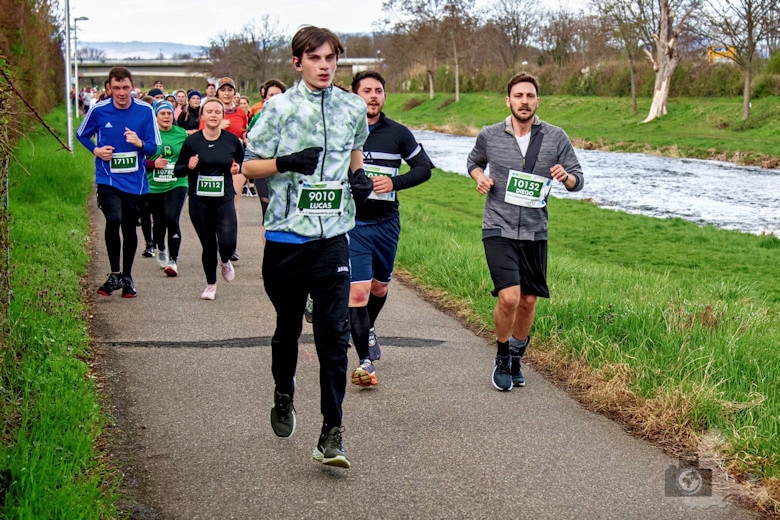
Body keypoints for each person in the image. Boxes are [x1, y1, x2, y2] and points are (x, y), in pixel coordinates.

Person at [242, 25, 371, 469]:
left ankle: (332, 433)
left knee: (334, 337)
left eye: (330, 58)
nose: (324, 66)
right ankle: (284, 392)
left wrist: (359, 177)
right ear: (298, 63)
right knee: (288, 328)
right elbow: (248, 167)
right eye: (315, 58)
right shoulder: (278, 109)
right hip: (286, 239)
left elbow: (355, 151)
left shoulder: (352, 107)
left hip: (333, 238)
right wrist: (285, 163)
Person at [466, 72, 584, 391]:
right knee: (509, 298)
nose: (524, 101)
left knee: (528, 301)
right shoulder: (490, 135)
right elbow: (473, 162)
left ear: (537, 101)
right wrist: (480, 177)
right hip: (497, 226)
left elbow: (578, 180)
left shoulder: (555, 137)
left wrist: (566, 177)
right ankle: (503, 356)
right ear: (508, 101)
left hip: (534, 231)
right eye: (518, 96)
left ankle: (517, 356)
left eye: (530, 96)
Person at [345, 70, 434, 387]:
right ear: (355, 95)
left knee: (379, 288)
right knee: (358, 291)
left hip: (386, 224)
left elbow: (425, 168)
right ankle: (365, 363)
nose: (373, 96)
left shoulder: (398, 133)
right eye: (366, 90)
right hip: (353, 224)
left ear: (384, 96)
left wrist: (394, 183)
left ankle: (367, 327)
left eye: (378, 91)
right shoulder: (343, 131)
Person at [77, 66, 161, 298]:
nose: (122, 93)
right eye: (116, 88)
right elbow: (81, 134)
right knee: (113, 219)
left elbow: (155, 148)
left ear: (132, 87)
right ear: (109, 88)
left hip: (135, 182)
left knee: (129, 226)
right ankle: (114, 273)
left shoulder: (145, 110)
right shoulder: (99, 110)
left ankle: (127, 277)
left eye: (125, 87)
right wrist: (96, 150)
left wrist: (139, 143)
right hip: (108, 178)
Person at [174, 97, 244, 300]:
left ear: (222, 116)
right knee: (208, 245)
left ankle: (225, 260)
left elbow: (242, 162)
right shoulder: (192, 141)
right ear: (202, 115)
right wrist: (189, 165)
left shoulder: (232, 141)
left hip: (224, 198)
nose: (213, 115)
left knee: (228, 243)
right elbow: (178, 170)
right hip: (200, 201)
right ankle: (211, 284)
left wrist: (237, 168)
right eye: (210, 111)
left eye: (217, 112)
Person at [201, 77, 248, 262]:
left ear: (234, 93)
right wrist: (218, 126)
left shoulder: (241, 113)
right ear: (217, 92)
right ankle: (215, 241)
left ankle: (231, 245)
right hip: (212, 164)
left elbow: (243, 133)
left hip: (234, 163)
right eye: (223, 90)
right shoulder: (210, 111)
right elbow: (200, 136)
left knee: (233, 203)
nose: (227, 93)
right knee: (213, 206)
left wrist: (244, 138)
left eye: (230, 90)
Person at [145, 100, 189, 276]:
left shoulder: (181, 134)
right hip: (154, 185)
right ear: (156, 117)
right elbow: (138, 160)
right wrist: (153, 164)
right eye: (162, 113)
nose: (166, 117)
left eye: (169, 113)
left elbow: (189, 155)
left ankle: (173, 260)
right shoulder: (148, 134)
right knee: (159, 221)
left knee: (172, 219)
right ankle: (161, 247)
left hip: (177, 182)